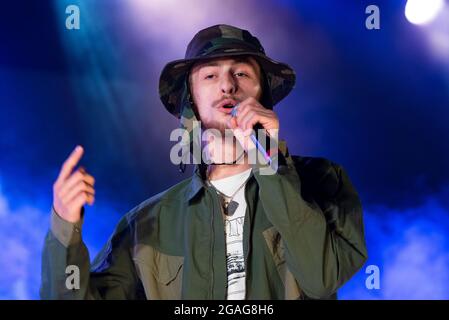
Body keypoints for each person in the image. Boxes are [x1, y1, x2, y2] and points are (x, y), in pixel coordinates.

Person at [40, 24, 367, 300]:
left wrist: (269, 161)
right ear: (191, 101)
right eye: (210, 76)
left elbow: (322, 278)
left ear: (263, 94)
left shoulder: (323, 179)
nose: (227, 85)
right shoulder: (147, 222)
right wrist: (64, 227)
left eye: (241, 72)